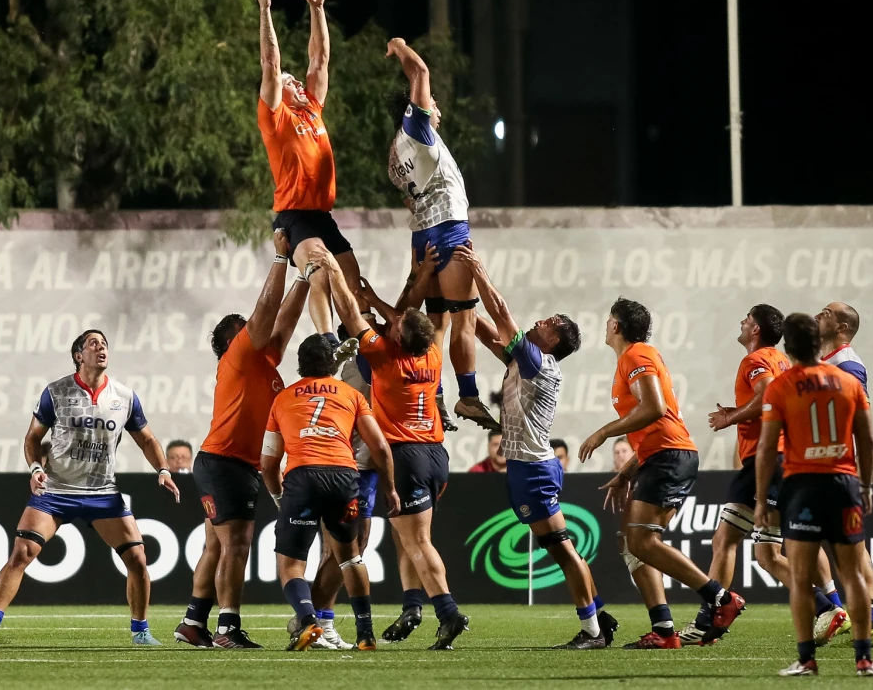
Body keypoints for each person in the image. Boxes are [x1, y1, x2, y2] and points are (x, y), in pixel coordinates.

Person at [453, 244, 618, 649]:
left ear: (554, 341)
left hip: (534, 469)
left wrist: (477, 269)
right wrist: (453, 299)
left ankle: (593, 631)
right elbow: (488, 332)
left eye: (548, 323)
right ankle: (600, 614)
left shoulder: (539, 363)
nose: (539, 321)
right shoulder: (525, 360)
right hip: (529, 467)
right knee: (562, 549)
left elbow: (501, 315)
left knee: (563, 552)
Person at [0, 330, 179, 646]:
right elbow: (31, 438)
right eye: (93, 343)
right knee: (22, 553)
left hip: (101, 492)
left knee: (137, 558)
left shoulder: (124, 397)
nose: (101, 347)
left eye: (105, 343)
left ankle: (141, 632)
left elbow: (147, 439)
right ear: (78, 355)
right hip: (56, 491)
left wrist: (162, 469)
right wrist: (36, 468)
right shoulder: (55, 392)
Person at [313, 242, 470, 650]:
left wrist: (334, 272)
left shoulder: (379, 356)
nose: (385, 324)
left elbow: (352, 314)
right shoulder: (432, 352)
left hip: (400, 455)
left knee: (412, 542)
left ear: (396, 338)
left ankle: (448, 612)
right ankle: (413, 605)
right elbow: (408, 318)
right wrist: (412, 283)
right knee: (407, 539)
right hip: (436, 453)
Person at [579, 298, 745, 649]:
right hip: (658, 456)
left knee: (642, 540)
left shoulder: (636, 355)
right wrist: (626, 472)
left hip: (670, 456)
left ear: (617, 326)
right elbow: (652, 425)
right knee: (631, 541)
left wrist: (604, 432)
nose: (606, 324)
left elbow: (654, 409)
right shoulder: (631, 357)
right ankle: (665, 629)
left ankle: (720, 599)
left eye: (609, 319)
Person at [175, 230, 311, 649]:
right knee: (237, 544)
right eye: (250, 328)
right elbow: (268, 310)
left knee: (217, 545)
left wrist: (303, 278)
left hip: (229, 462)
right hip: (226, 462)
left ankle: (193, 623)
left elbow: (283, 321)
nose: (261, 331)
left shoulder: (264, 360)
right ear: (233, 339)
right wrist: (279, 258)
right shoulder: (238, 354)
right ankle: (227, 628)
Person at [756, 313, 873, 677]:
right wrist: (867, 485)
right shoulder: (848, 382)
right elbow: (868, 440)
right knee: (854, 574)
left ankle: (807, 659)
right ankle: (864, 659)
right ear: (815, 343)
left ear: (788, 346)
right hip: (843, 484)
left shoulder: (780, 386)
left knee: (801, 575)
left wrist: (762, 498)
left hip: (803, 487)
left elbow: (766, 450)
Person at [261, 334, 400, 652]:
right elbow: (379, 447)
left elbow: (267, 463)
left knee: (291, 565)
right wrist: (390, 488)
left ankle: (309, 621)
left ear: (300, 365)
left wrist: (279, 498)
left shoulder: (283, 399)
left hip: (302, 479)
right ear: (332, 362)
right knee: (350, 556)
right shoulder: (351, 395)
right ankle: (365, 634)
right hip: (343, 477)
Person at [384, 37, 496, 430]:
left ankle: (435, 397)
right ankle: (467, 396)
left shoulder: (394, 155)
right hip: (449, 230)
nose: (438, 110)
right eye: (433, 106)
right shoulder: (417, 128)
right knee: (464, 320)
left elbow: (409, 202)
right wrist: (399, 47)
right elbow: (421, 71)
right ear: (417, 109)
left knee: (435, 324)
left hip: (422, 235)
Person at [250, 0, 361, 340]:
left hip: (322, 216)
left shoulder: (312, 108)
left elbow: (320, 58)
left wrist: (317, 9)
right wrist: (265, 9)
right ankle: (328, 341)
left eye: (296, 80)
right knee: (319, 268)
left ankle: (353, 340)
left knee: (352, 281)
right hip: (294, 216)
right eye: (288, 81)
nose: (295, 80)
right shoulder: (275, 117)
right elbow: (271, 63)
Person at [680, 304, 791, 646]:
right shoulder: (782, 360)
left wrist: (730, 418)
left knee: (724, 541)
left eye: (747, 319)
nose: (742, 322)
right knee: (768, 554)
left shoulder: (755, 361)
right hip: (783, 457)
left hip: (765, 458)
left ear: (756, 329)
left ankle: (707, 619)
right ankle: (828, 608)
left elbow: (767, 395)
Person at [814, 301, 873, 647]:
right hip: (817, 469)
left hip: (835, 471)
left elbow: (861, 425)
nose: (818, 315)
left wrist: (865, 481)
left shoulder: (849, 365)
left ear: (842, 326)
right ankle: (848, 616)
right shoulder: (825, 362)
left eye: (826, 313)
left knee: (851, 552)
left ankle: (864, 621)